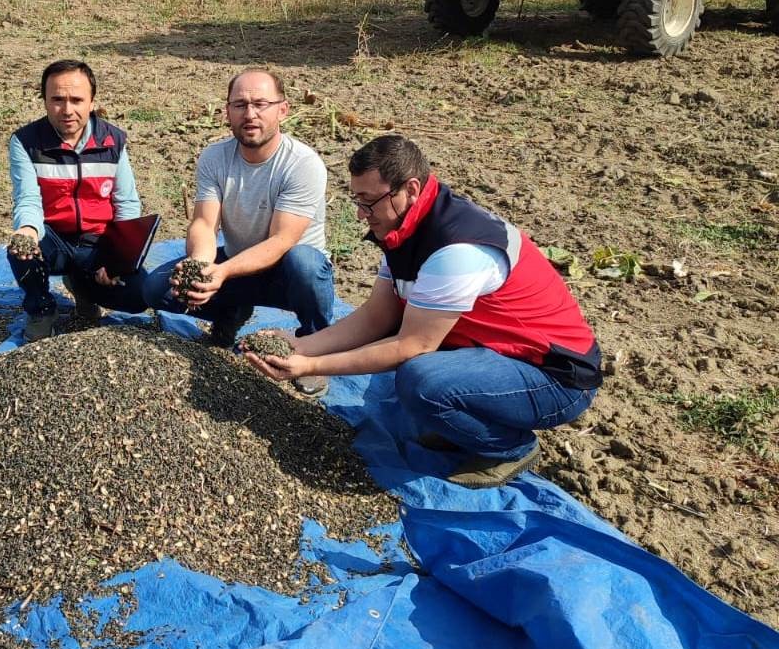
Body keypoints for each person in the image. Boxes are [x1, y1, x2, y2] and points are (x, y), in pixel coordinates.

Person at [244, 134, 602, 488]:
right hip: (497, 351)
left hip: (556, 378)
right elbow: (376, 317)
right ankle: (466, 424)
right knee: (405, 357)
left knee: (421, 380)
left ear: (410, 190)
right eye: (358, 200)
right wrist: (301, 345)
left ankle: (510, 447)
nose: (361, 214)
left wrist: (310, 367)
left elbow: (412, 345)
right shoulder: (405, 229)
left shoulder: (455, 250)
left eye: (369, 202)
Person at [143, 68, 335, 396]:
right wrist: (203, 268)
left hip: (287, 275)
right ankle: (230, 314)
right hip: (237, 265)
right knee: (155, 288)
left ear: (282, 110)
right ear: (227, 111)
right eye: (240, 105)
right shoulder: (214, 158)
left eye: (261, 103)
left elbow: (281, 240)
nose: (250, 114)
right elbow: (205, 223)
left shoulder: (302, 164)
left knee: (305, 263)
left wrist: (223, 272)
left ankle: (313, 347)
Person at [8, 59, 148, 341]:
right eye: (57, 99)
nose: (67, 110)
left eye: (77, 100)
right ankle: (42, 310)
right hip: (53, 236)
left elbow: (127, 203)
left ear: (92, 101)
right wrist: (28, 231)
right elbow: (28, 199)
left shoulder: (113, 141)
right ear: (45, 100)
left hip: (97, 239)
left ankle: (84, 288)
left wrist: (118, 257)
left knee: (138, 295)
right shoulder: (26, 142)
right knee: (21, 251)